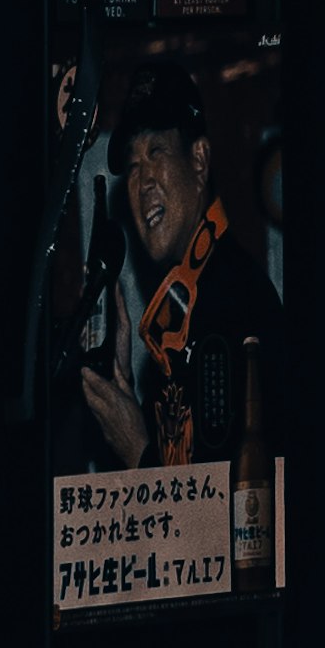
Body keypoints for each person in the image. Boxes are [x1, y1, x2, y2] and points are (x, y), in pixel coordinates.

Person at [74, 59, 285, 472]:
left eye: (156, 152)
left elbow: (222, 513)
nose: (143, 181)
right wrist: (125, 389)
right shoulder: (186, 307)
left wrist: (136, 447)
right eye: (133, 166)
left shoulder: (232, 298)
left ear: (200, 161)